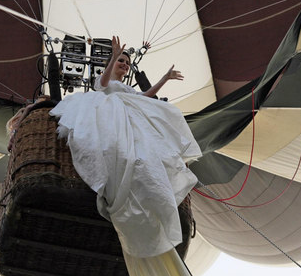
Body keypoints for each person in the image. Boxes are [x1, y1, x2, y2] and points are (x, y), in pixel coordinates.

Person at [49, 35, 202, 258]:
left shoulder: (125, 89)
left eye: (127, 63)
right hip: (110, 118)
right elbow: (101, 86)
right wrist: (112, 57)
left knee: (148, 143)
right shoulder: (106, 83)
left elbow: (146, 96)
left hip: (129, 123)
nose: (124, 65)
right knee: (119, 148)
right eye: (122, 61)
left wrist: (164, 78)